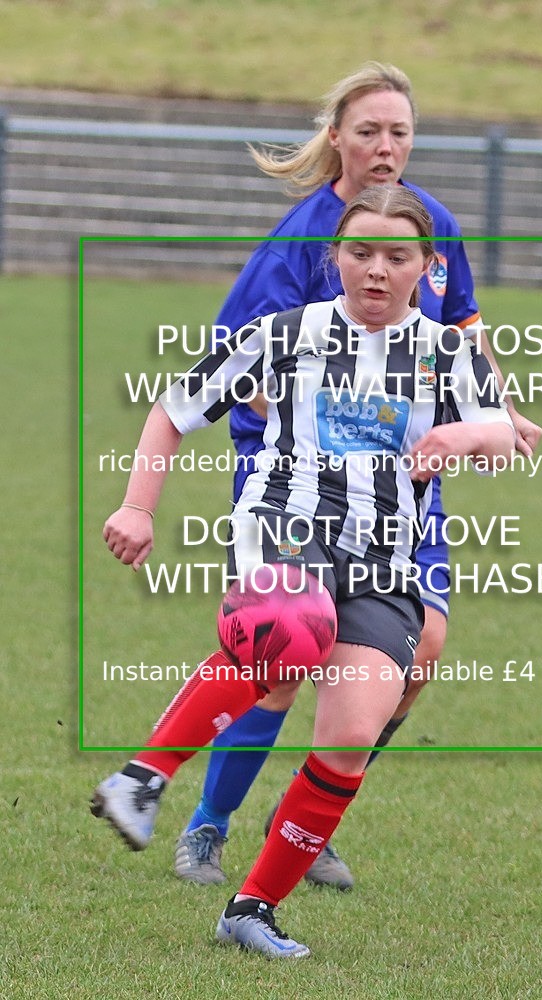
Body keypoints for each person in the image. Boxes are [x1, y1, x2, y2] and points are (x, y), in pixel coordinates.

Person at [92, 185, 516, 958]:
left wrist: (469, 440)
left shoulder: (446, 351)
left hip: (386, 559)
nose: (378, 270)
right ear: (335, 258)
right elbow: (174, 408)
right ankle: (142, 779)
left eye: (398, 256)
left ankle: (251, 908)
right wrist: (138, 507)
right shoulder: (283, 332)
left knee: (352, 732)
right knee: (289, 630)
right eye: (361, 253)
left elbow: (500, 427)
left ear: (427, 265)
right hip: (287, 520)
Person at [170, 62, 542, 889]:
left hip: (405, 479)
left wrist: (493, 415)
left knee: (420, 650)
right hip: (292, 477)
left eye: (400, 131)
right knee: (281, 656)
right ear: (335, 135)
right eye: (369, 130)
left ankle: (305, 816)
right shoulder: (301, 240)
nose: (385, 146)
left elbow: (463, 336)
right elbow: (239, 364)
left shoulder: (429, 222)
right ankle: (206, 824)